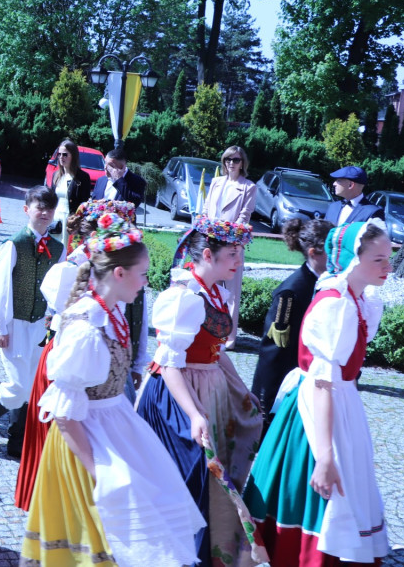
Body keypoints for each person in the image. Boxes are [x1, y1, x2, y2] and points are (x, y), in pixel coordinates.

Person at [21, 218, 204, 567]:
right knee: (96, 537)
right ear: (119, 274)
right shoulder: (85, 325)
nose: (147, 281)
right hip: (83, 439)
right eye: (143, 273)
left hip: (112, 424)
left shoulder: (112, 312)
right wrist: (100, 471)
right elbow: (64, 414)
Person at [243, 220, 391, 565]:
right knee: (324, 493)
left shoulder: (356, 298)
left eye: (389, 258)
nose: (388, 267)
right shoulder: (335, 305)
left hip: (339, 403)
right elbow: (323, 382)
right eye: (378, 260)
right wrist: (325, 456)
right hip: (317, 409)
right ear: (353, 261)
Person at [135, 215, 262, 565]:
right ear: (208, 254)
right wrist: (192, 413)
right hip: (177, 393)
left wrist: (240, 388)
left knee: (213, 475)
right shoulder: (184, 298)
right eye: (233, 254)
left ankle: (205, 550)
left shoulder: (216, 293)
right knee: (187, 477)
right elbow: (170, 362)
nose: (239, 261)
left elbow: (216, 352)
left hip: (209, 387)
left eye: (239, 253)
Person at [14, 199, 142, 512]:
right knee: (60, 432)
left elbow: (135, 319)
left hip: (103, 367)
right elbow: (63, 319)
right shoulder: (74, 268)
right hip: (72, 362)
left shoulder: (119, 279)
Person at [0, 186, 65, 459]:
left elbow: (59, 288)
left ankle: (16, 440)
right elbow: (0, 288)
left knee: (32, 381)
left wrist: (54, 321)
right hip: (13, 323)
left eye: (49, 208)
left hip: (40, 325)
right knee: (19, 384)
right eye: (40, 207)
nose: (45, 212)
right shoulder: (14, 243)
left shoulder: (58, 248)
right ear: (27, 210)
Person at [250, 218, 332, 428]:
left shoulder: (326, 283)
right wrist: (265, 401)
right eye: (331, 250)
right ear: (313, 253)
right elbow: (274, 352)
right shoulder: (291, 293)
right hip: (286, 388)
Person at [201, 145, 257, 347]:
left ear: (243, 163)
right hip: (209, 241)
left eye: (235, 160)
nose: (231, 163)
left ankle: (229, 336)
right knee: (206, 284)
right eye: (228, 159)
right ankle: (206, 328)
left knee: (231, 291)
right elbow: (206, 209)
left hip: (232, 243)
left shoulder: (249, 187)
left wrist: (227, 236)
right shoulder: (216, 182)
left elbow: (244, 216)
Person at [47, 138, 93, 246]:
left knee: (68, 251)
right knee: (54, 250)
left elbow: (84, 204)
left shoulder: (83, 177)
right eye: (59, 154)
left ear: (73, 156)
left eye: (65, 155)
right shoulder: (56, 175)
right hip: (56, 218)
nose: (61, 157)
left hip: (71, 221)